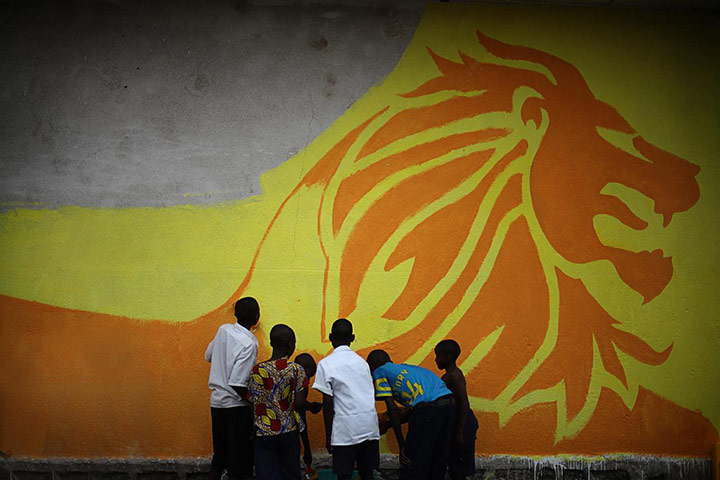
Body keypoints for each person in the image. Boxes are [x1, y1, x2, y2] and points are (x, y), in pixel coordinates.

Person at [366, 349, 454, 480]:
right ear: (390, 361)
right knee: (438, 460)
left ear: (371, 367)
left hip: (428, 410)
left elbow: (393, 409)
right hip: (450, 406)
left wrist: (402, 447)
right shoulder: (406, 367)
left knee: (412, 463)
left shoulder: (379, 372)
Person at [312, 319, 380, 480]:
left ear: (330, 337)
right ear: (352, 338)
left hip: (345, 429)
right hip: (369, 426)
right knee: (367, 473)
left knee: (344, 475)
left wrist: (329, 437)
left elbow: (328, 404)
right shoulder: (362, 363)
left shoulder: (325, 364)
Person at [205, 297, 260, 480]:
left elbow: (208, 355)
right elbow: (238, 383)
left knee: (219, 457)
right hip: (236, 407)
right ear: (256, 318)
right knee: (239, 459)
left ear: (235, 314)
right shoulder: (249, 344)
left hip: (217, 403)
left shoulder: (223, 330)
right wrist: (253, 401)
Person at [248, 324, 311, 480]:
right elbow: (300, 403)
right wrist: (312, 406)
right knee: (290, 474)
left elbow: (253, 402)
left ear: (271, 343)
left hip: (263, 434)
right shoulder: (296, 370)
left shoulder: (257, 370)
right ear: (290, 344)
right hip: (288, 432)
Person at [434, 340, 478, 480]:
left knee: (460, 464)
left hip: (463, 422)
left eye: (438, 356)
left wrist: (459, 431)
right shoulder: (449, 375)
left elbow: (464, 402)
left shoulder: (454, 375)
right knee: (454, 461)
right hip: (457, 421)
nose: (436, 360)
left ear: (448, 358)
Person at [293, 353, 323, 478]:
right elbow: (299, 410)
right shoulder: (300, 380)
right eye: (310, 375)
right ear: (304, 368)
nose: (309, 381)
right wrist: (307, 448)